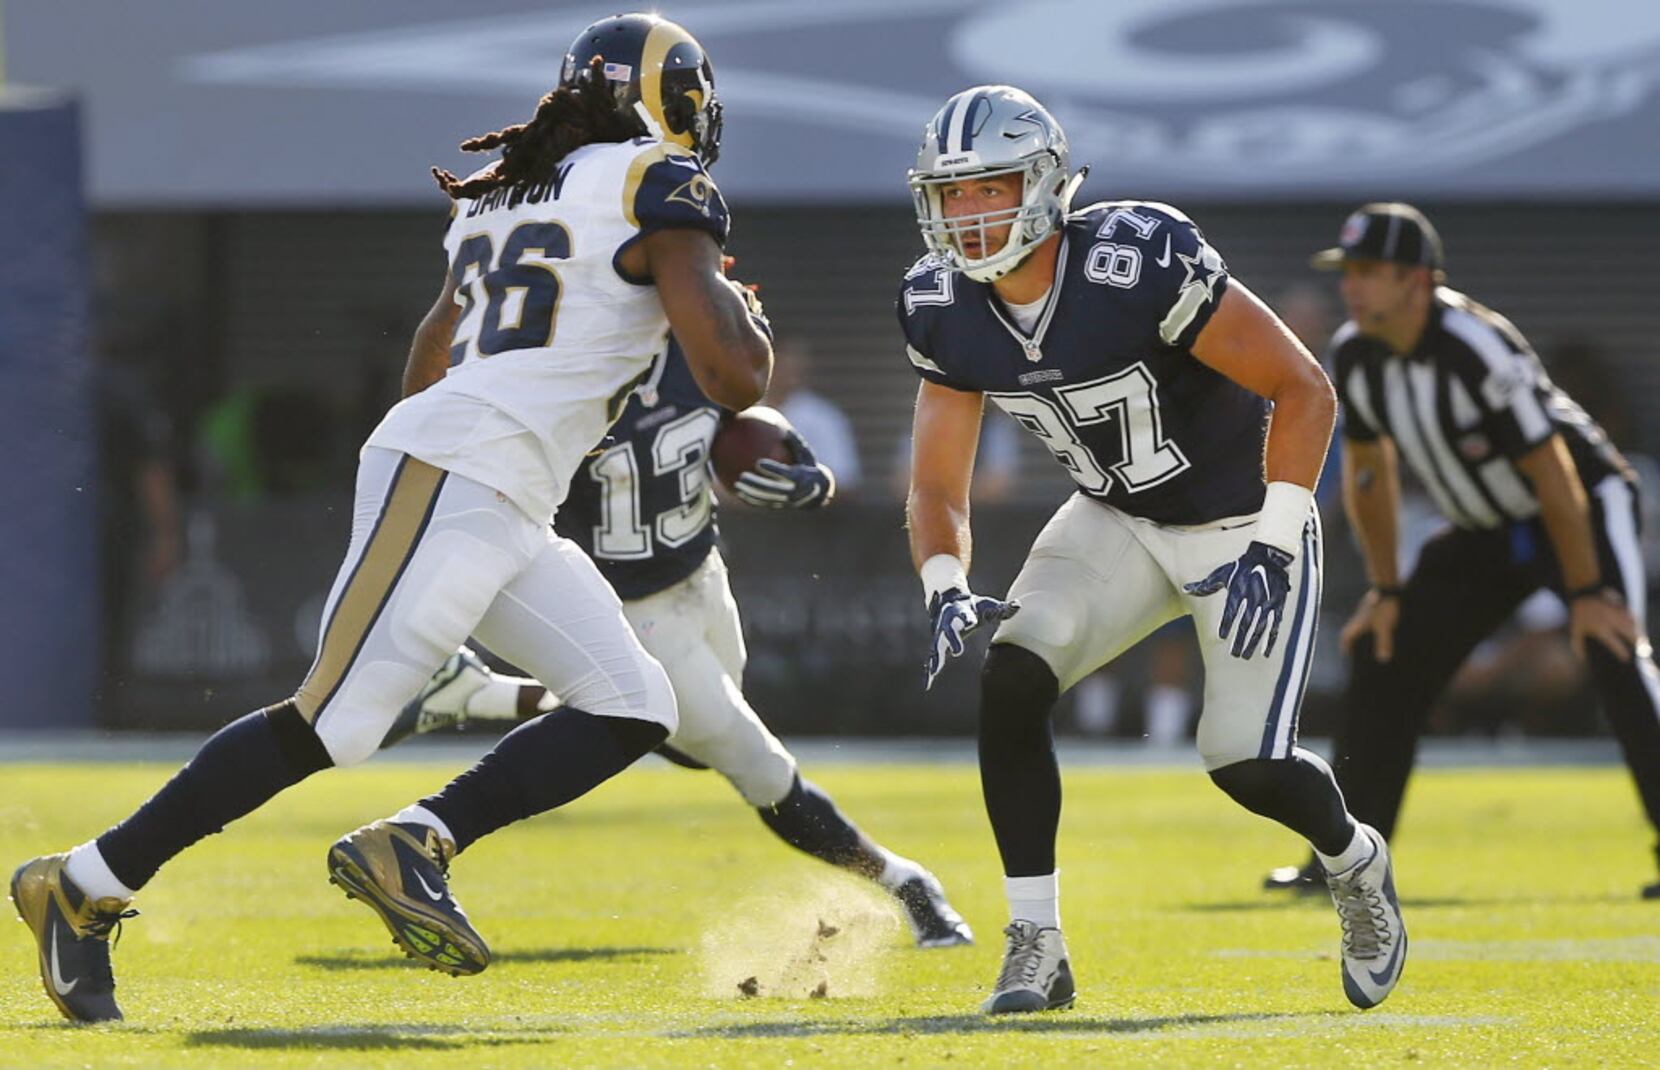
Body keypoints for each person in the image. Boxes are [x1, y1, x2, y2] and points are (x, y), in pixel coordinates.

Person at [11, 13, 768, 1023]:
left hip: (490, 477)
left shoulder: (506, 190)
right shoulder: (662, 188)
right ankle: (84, 880)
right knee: (334, 720)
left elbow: (431, 350)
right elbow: (732, 374)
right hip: (468, 468)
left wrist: (496, 429)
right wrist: (742, 327)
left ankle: (415, 838)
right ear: (672, 105)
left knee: (632, 702)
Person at [899, 85, 1405, 1015]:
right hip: (1117, 518)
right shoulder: (940, 304)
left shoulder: (1133, 260)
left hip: (1241, 522)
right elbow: (937, 485)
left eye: (991, 188)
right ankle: (1035, 946)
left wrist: (1277, 538)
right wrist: (944, 580)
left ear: (1047, 185)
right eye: (953, 193)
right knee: (1011, 678)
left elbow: (1305, 391)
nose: (969, 215)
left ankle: (1355, 860)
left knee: (1244, 762)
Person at [381, 340, 972, 948]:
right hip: (629, 610)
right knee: (758, 767)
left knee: (690, 747)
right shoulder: (565, 371)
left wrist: (806, 475)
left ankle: (479, 695)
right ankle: (907, 885)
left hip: (702, 573)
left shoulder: (702, 335)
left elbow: (740, 419)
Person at [1261, 203, 1660, 899]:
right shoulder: (1355, 353)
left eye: (1370, 272)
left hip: (1581, 508)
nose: (1353, 286)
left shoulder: (1474, 344)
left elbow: (1552, 471)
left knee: (1616, 652)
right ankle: (1350, 860)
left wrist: (1591, 592)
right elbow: (1368, 474)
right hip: (1483, 528)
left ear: (1418, 280)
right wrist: (1385, 592)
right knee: (1384, 656)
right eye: (1347, 271)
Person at [768, 338, 863, 494]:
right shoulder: (741, 413)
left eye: (797, 363)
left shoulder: (823, 417)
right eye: (784, 362)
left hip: (808, 515)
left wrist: (801, 487)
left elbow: (845, 481)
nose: (791, 369)